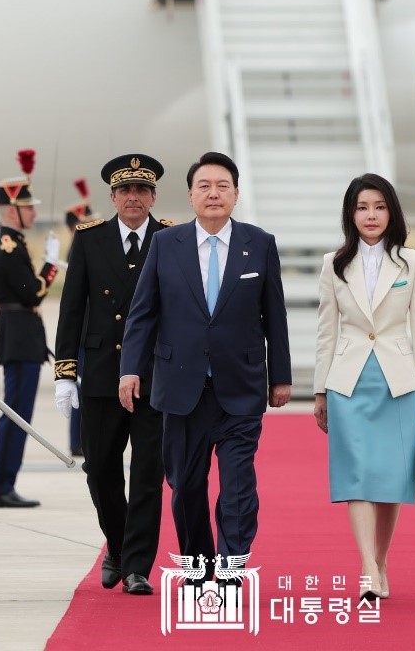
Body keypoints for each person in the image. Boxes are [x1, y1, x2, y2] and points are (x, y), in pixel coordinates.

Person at [119, 151, 292, 570]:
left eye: (222, 186)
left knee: (237, 487)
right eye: (204, 186)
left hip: (240, 387)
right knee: (186, 486)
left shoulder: (259, 244)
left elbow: (275, 314)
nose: (214, 194)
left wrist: (280, 376)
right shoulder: (165, 244)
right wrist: (130, 369)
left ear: (236, 194)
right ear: (190, 195)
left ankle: (231, 568)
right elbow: (143, 312)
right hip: (181, 390)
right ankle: (198, 566)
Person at [313, 173, 415, 601]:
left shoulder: (412, 262)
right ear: (351, 214)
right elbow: (326, 331)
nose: (371, 215)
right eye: (363, 207)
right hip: (347, 381)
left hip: (398, 381)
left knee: (391, 479)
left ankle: (381, 560)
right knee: (357, 475)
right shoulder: (333, 263)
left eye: (379, 207)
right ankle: (367, 565)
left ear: (391, 212)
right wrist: (320, 390)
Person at [54, 154, 173, 595]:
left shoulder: (170, 238)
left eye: (142, 190)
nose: (133, 197)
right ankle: (119, 546)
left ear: (153, 197)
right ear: (113, 196)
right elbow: (72, 307)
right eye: (125, 190)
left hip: (154, 374)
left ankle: (137, 566)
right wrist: (65, 371)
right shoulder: (91, 239)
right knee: (100, 468)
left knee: (147, 474)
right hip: (103, 371)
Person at [0, 149, 60, 509]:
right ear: (12, 210)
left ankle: (3, 484)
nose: (33, 213)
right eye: (28, 207)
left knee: (18, 415)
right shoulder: (10, 246)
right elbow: (33, 292)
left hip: (18, 335)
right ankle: (0, 487)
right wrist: (51, 266)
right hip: (19, 338)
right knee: (16, 415)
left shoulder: (11, 245)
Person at [63, 178, 97, 457]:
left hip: (89, 329)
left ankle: (81, 440)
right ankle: (78, 441)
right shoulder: (80, 247)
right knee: (82, 388)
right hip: (86, 330)